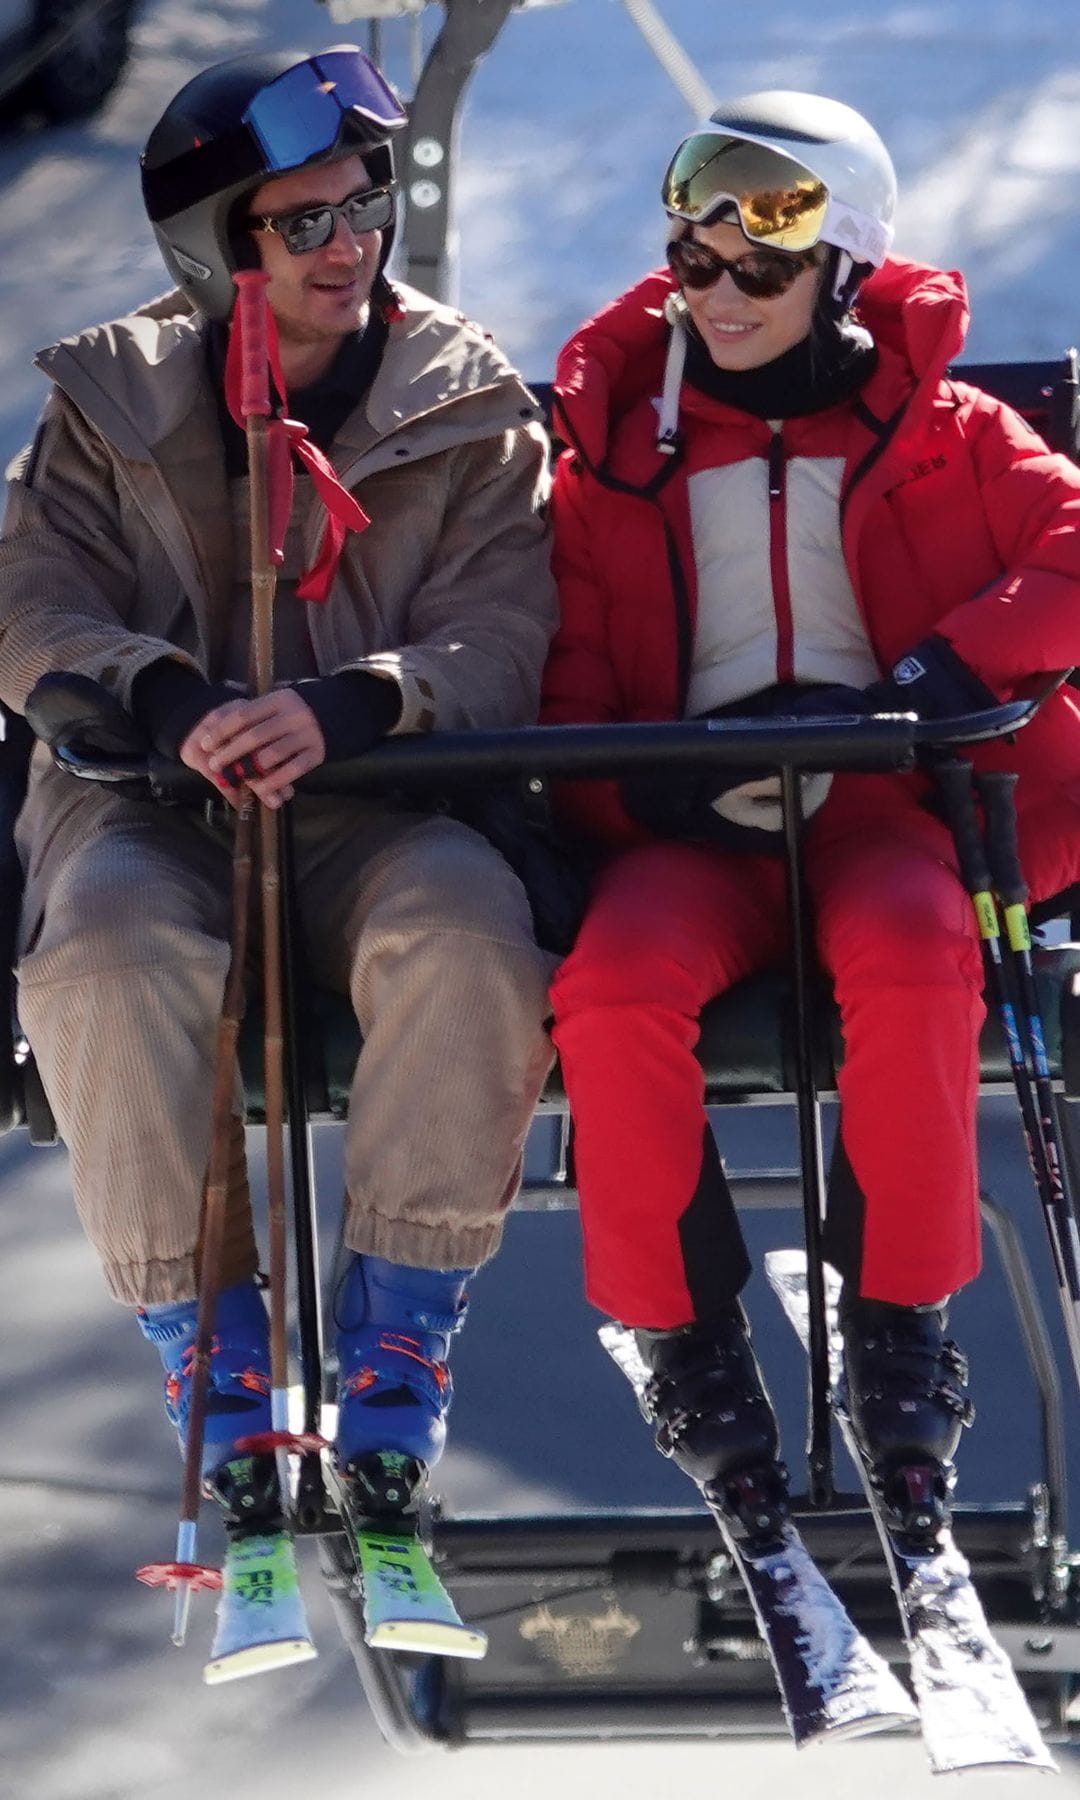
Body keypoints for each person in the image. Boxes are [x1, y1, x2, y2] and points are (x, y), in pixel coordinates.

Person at [0, 46, 557, 1517]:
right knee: (106, 952)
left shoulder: (464, 394)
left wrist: (360, 701)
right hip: (151, 812)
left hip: (385, 804)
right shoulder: (110, 403)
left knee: (460, 934)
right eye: (301, 221)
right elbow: (29, 601)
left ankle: (397, 1341)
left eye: (360, 203)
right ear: (216, 246)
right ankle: (212, 1345)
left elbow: (508, 625)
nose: (349, 243)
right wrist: (166, 698)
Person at [543, 90, 1080, 1536]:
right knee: (607, 991)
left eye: (761, 271)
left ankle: (900, 1324)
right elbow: (572, 678)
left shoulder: (948, 431)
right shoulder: (616, 454)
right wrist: (644, 780)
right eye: (693, 268)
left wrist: (930, 677)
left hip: (879, 806)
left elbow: (1075, 548)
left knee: (916, 953)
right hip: (692, 833)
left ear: (842, 269)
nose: (718, 299)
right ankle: (690, 1346)